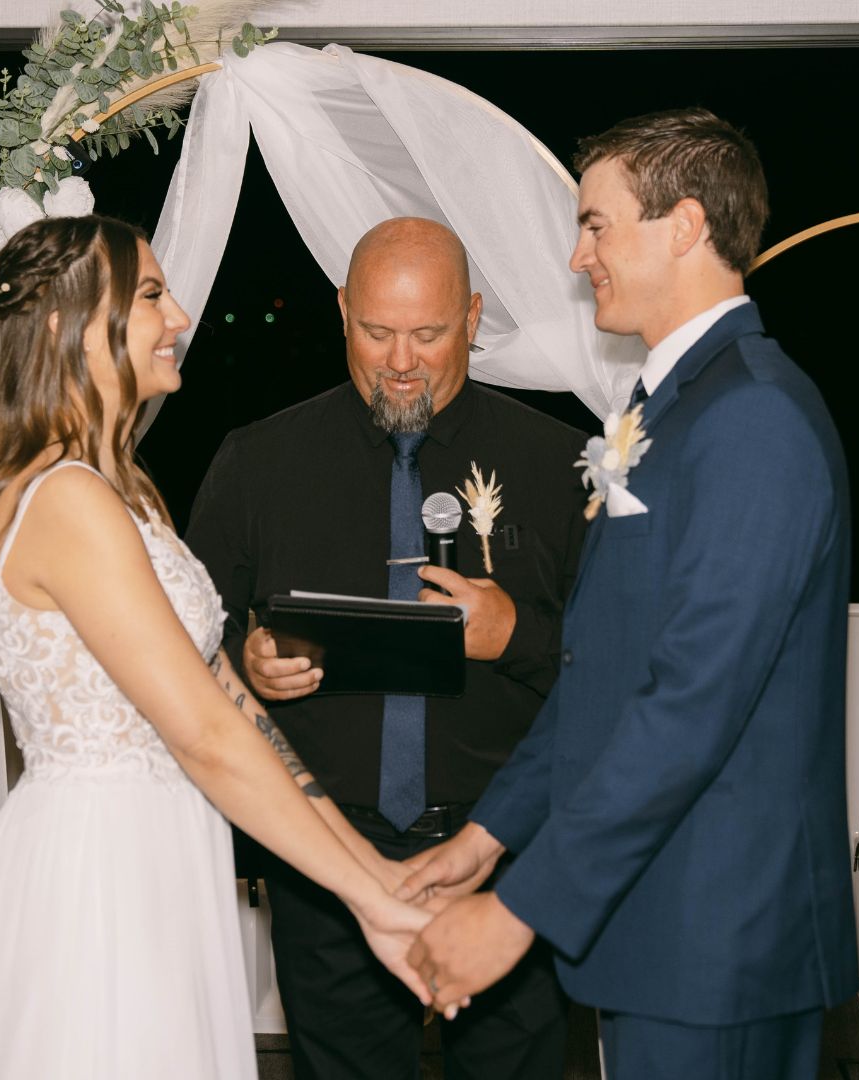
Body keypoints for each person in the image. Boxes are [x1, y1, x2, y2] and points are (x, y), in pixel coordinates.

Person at [0, 214, 433, 1080]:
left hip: (162, 849)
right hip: (101, 875)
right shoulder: (64, 501)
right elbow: (204, 734)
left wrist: (378, 873)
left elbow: (233, 705)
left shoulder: (117, 490)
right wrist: (371, 904)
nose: (181, 316)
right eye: (152, 296)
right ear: (65, 329)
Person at [402, 108, 859, 1080]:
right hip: (655, 933)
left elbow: (692, 701)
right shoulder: (671, 409)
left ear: (684, 226)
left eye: (596, 224)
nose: (577, 257)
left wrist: (521, 912)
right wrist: (490, 836)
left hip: (717, 938)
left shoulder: (755, 419)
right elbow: (598, 667)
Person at [185, 216, 588, 1078]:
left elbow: (618, 673)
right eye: (376, 331)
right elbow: (190, 644)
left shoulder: (560, 466)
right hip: (326, 867)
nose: (400, 358)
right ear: (341, 313)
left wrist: (519, 635)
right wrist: (249, 659)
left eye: (428, 333)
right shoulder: (257, 462)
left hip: (507, 863)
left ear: (474, 319)